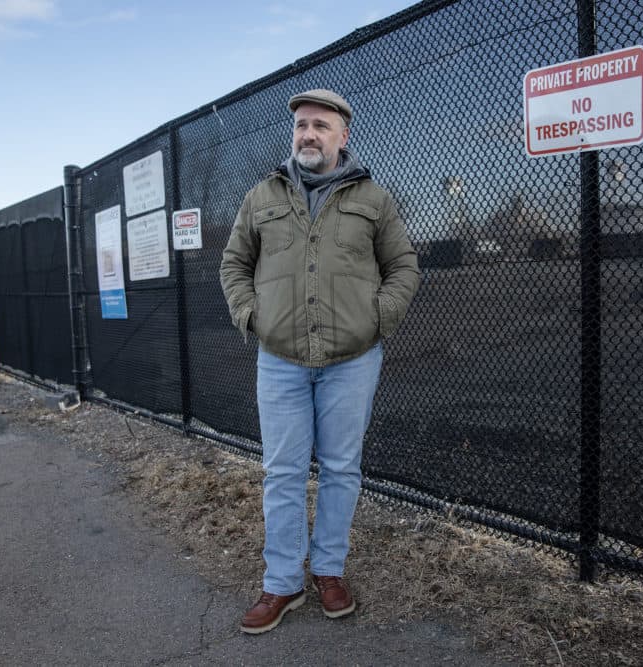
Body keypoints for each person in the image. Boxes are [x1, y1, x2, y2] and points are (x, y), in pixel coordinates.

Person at [220, 88, 421, 634]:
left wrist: (377, 319)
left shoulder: (373, 198)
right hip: (280, 358)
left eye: (321, 126)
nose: (309, 134)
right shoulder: (262, 196)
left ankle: (328, 571)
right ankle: (282, 583)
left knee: (339, 469)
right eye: (302, 125)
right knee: (282, 472)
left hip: (352, 359)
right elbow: (233, 263)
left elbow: (403, 265)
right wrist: (252, 316)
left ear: (342, 136)